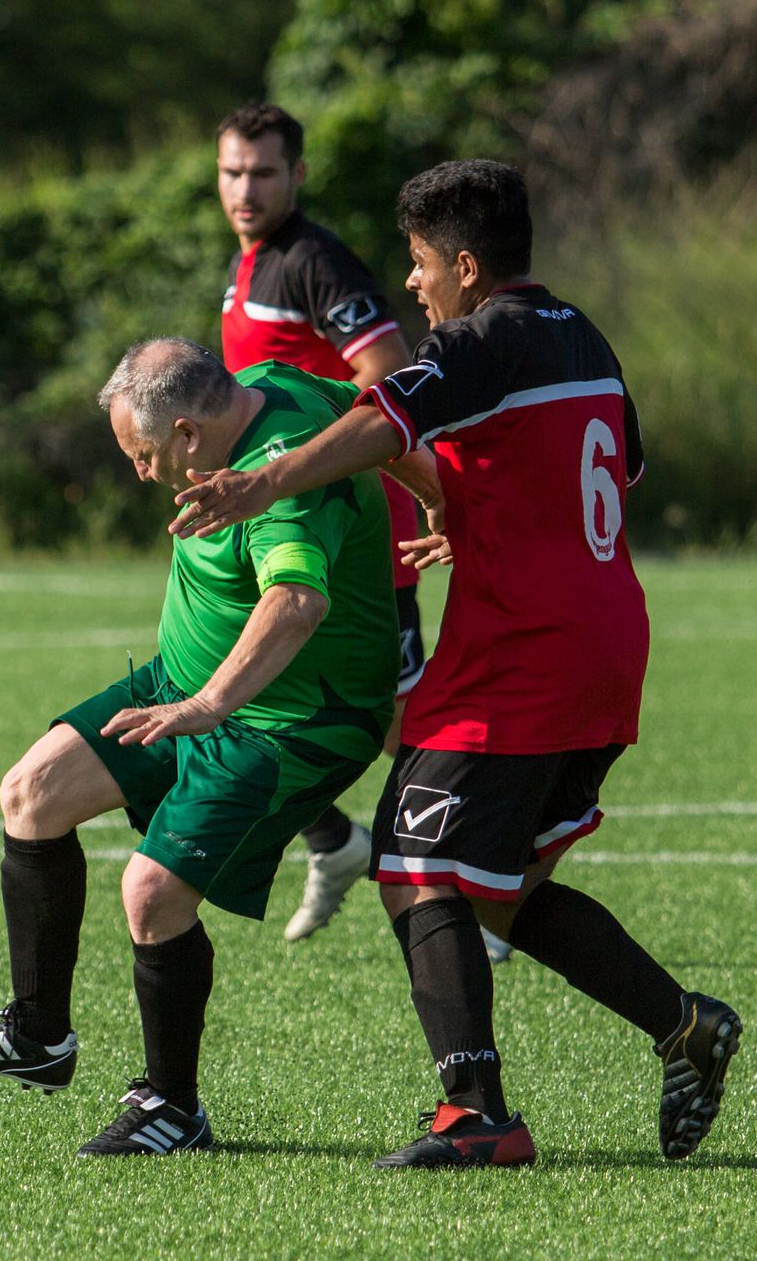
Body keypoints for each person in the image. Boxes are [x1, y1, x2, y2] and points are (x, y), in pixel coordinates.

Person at [168, 160, 743, 1168]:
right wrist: (476, 524)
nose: (417, 286)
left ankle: (479, 1114)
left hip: (524, 656)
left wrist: (262, 483)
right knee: (503, 885)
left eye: (424, 265)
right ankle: (686, 1022)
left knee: (411, 863)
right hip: (604, 642)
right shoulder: (585, 338)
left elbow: (372, 420)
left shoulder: (481, 339)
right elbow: (607, 470)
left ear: (468, 266)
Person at [0, 337, 399, 1156]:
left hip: (293, 720)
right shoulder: (270, 382)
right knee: (32, 794)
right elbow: (381, 423)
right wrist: (434, 494)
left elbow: (297, 601)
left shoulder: (275, 494)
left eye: (140, 455)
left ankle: (173, 1105)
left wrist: (208, 704)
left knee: (151, 895)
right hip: (185, 680)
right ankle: (38, 1036)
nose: (138, 474)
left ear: (187, 436)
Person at [213, 103, 511, 959]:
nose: (246, 188)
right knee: (253, 696)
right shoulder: (247, 266)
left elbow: (383, 379)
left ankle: (471, 881)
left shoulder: (315, 262)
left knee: (402, 722)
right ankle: (337, 841)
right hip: (285, 533)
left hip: (352, 538)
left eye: (263, 172)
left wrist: (308, 467)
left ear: (296, 176)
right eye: (233, 171)